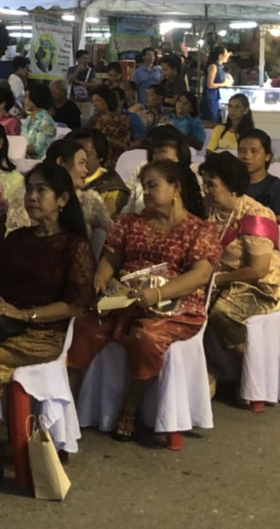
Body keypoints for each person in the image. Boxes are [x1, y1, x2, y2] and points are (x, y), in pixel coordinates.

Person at [0, 162, 94, 495]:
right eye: (29, 190)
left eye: (41, 190)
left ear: (63, 199)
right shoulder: (18, 239)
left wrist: (27, 315)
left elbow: (76, 304)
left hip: (44, 333)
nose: (32, 197)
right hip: (2, 323)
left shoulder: (74, 246)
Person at [68, 159, 221, 440]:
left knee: (146, 337)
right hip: (127, 298)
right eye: (144, 187)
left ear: (175, 188)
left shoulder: (200, 230)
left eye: (153, 186)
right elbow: (111, 258)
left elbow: (200, 275)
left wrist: (157, 294)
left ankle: (131, 404)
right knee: (84, 325)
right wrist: (99, 283)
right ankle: (67, 401)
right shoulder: (131, 222)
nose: (146, 193)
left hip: (175, 304)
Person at [200, 151, 280, 356]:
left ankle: (249, 364)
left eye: (211, 185)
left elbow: (258, 270)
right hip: (221, 281)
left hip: (259, 286)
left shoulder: (255, 214)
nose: (205, 190)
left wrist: (216, 280)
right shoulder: (209, 209)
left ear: (231, 186)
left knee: (221, 312)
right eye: (204, 184)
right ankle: (207, 365)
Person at [46, 137, 114, 236]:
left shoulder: (89, 200)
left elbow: (113, 234)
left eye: (85, 164)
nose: (86, 170)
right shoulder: (33, 196)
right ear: (61, 162)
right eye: (81, 163)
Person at [70, 127, 129, 218]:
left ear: (100, 156)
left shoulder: (111, 191)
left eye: (86, 154)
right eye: (72, 154)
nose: (78, 159)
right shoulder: (61, 180)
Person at [238, 129, 280, 217]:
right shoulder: (228, 185)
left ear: (267, 156)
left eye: (254, 151)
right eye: (242, 151)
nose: (247, 156)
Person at [87, 85, 132, 164]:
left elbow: (125, 145)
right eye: (93, 102)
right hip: (98, 159)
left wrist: (106, 139)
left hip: (117, 158)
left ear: (107, 100)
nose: (95, 104)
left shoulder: (121, 119)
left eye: (98, 101)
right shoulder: (93, 120)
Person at [22, 81, 58, 159]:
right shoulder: (27, 120)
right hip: (24, 159)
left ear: (36, 97)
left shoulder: (47, 122)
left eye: (27, 97)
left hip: (39, 162)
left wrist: (16, 147)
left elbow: (38, 149)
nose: (24, 100)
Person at [201, 44, 235, 122]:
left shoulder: (220, 67)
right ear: (220, 56)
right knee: (211, 120)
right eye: (226, 53)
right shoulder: (213, 67)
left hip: (216, 98)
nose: (228, 56)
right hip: (210, 98)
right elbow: (210, 84)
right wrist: (224, 83)